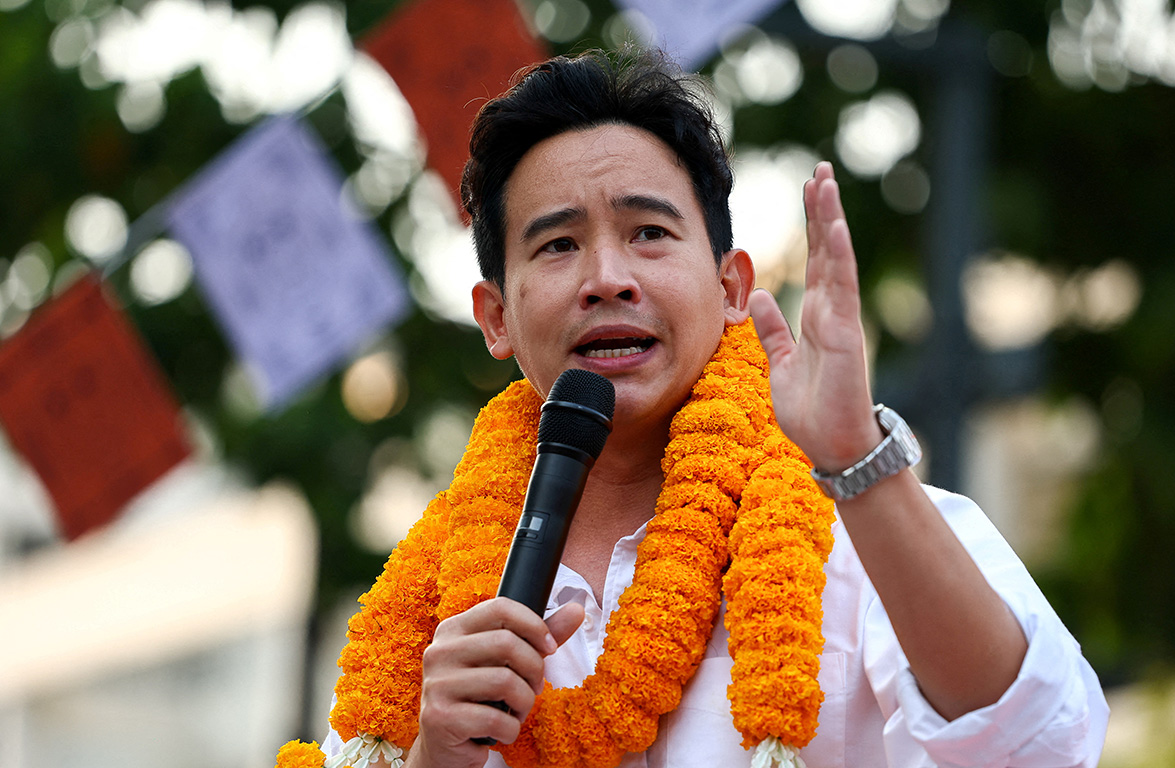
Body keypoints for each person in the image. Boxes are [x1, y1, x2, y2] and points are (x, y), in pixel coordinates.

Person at [289, 47, 1108, 768]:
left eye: (649, 232)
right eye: (559, 244)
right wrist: (435, 758)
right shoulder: (429, 615)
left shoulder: (860, 530)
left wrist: (858, 461)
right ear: (496, 317)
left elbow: (1039, 746)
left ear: (731, 287)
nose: (608, 278)